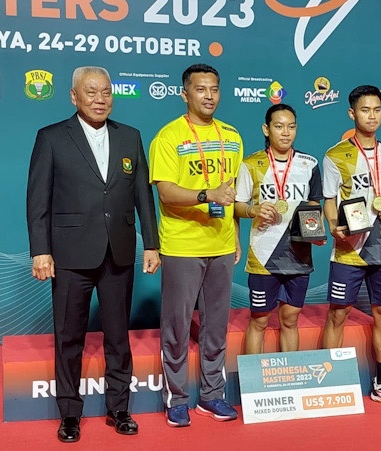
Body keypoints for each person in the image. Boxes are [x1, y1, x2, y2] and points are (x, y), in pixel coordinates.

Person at [26, 66, 160, 443]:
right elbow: (37, 200)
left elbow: (143, 196)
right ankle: (69, 412)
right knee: (69, 337)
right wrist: (41, 251)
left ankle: (119, 408)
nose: (100, 99)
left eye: (106, 92)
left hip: (119, 251)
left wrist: (151, 243)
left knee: (118, 336)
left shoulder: (130, 136)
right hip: (70, 255)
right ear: (74, 96)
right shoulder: (51, 137)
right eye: (91, 92)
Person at [148, 63, 243, 427]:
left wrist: (235, 234)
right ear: (184, 93)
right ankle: (176, 399)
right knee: (176, 326)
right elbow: (166, 193)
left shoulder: (232, 135)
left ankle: (212, 395)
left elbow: (231, 193)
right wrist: (206, 194)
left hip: (221, 243)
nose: (209, 96)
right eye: (201, 89)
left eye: (214, 89)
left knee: (216, 326)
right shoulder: (168, 136)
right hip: (183, 245)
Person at [322, 85, 381, 409]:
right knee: (338, 314)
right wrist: (333, 225)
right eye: (365, 110)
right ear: (352, 113)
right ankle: (328, 384)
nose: (372, 116)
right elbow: (329, 199)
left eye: (377, 110)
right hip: (349, 248)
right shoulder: (334, 156)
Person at [234, 104, 324, 354]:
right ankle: (254, 377)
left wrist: (315, 232)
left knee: (290, 319)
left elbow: (314, 203)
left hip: (299, 255)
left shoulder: (309, 164)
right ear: (266, 129)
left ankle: (290, 374)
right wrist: (253, 210)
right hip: (263, 255)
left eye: (291, 127)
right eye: (279, 126)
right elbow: (237, 206)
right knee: (259, 320)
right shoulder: (251, 164)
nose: (286, 132)